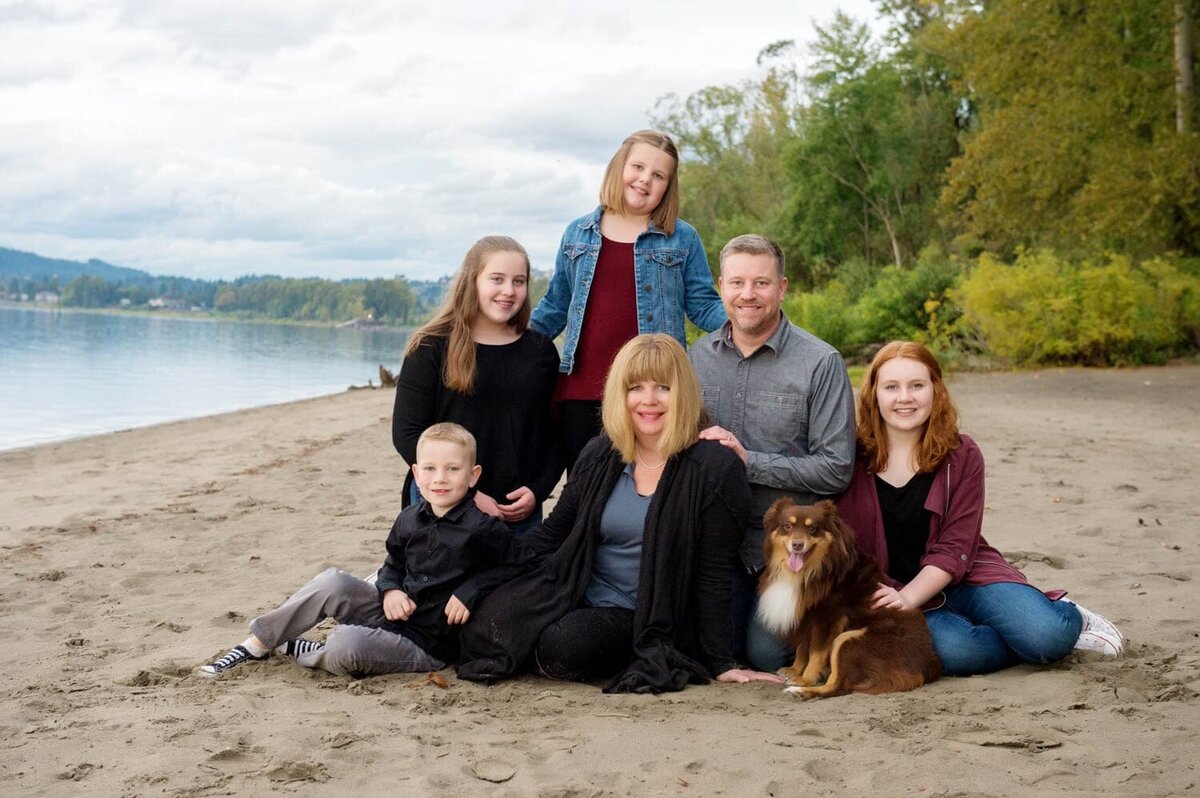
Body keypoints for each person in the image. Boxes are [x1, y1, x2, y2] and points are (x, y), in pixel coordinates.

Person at [456, 334, 784, 692]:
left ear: (683, 392)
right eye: (635, 388)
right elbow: (552, 535)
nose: (648, 400)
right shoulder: (601, 454)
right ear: (619, 394)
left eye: (663, 387)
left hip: (644, 613)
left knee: (563, 646)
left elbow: (713, 572)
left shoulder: (713, 468)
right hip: (577, 587)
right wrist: (486, 568)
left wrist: (721, 662)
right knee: (484, 619)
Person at [834, 341, 1125, 676]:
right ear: (873, 395)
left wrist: (910, 596)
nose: (904, 398)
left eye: (917, 385)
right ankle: (1018, 635)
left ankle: (1067, 614)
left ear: (936, 391)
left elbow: (956, 545)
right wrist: (897, 597)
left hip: (966, 577)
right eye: (891, 387)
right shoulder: (848, 459)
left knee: (1048, 636)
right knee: (958, 653)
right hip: (894, 590)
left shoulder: (961, 455)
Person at [198, 423, 520, 678]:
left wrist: (470, 590)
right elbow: (392, 564)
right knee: (331, 582)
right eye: (431, 469)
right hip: (391, 613)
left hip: (427, 645)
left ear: (473, 475)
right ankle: (259, 642)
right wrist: (391, 589)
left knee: (345, 643)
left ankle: (306, 651)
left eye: (453, 469)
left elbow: (521, 564)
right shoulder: (410, 518)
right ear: (416, 473)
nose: (440, 478)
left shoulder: (481, 527)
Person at [688, 234, 856, 669]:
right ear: (721, 286)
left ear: (781, 288)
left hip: (788, 550)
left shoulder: (821, 362)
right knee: (707, 650)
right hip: (717, 544)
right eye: (738, 283)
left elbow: (836, 470)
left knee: (763, 656)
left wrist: (750, 461)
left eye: (761, 283)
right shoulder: (694, 360)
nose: (748, 295)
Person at [530, 130, 726, 472]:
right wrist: (511, 341)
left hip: (655, 394)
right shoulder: (577, 234)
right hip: (583, 391)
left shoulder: (682, 238)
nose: (645, 179)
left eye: (659, 175)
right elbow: (555, 307)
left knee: (653, 490)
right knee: (587, 493)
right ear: (619, 166)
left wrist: (749, 321)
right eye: (638, 166)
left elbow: (703, 305)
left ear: (668, 186)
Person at [393, 236, 561, 533]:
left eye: (519, 281)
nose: (509, 291)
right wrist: (470, 495)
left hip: (516, 511)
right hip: (442, 504)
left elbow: (553, 435)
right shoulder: (431, 347)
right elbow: (407, 434)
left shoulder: (541, 351)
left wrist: (538, 490)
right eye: (497, 279)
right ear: (473, 281)